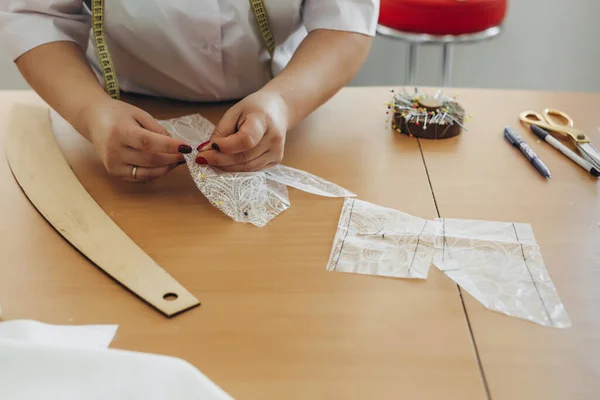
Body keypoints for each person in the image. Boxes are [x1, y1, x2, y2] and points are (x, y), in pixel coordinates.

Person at [0, 1, 378, 182]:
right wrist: (89, 110)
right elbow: (37, 15)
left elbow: (343, 19)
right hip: (119, 124)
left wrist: (283, 100)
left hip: (293, 113)